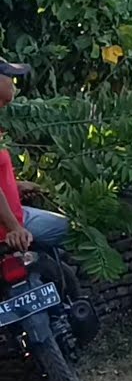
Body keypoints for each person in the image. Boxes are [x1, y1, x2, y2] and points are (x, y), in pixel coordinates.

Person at [0, 57, 70, 252]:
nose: (13, 84)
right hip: (9, 227)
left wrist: (16, 186)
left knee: (66, 230)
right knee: (66, 233)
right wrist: (14, 228)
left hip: (17, 215)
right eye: (9, 77)